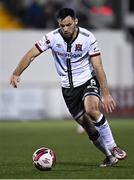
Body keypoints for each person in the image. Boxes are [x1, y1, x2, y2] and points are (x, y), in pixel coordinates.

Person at [10, 8, 127, 167]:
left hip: (87, 81)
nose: (65, 28)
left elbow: (98, 67)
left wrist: (105, 94)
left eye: (68, 24)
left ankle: (113, 147)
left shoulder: (87, 38)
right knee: (89, 128)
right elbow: (31, 54)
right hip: (68, 90)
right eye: (62, 25)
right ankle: (109, 156)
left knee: (92, 109)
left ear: (76, 21)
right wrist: (17, 73)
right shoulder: (52, 38)